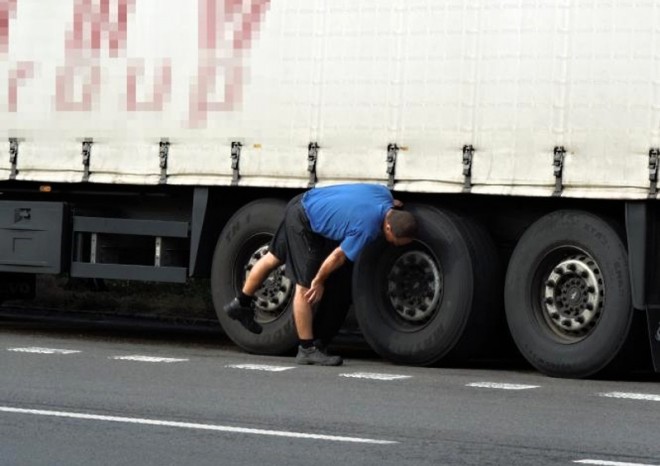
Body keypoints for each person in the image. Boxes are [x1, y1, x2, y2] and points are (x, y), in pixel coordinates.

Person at [223, 183, 417, 366]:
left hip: (302, 202)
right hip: (304, 222)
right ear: (389, 227)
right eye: (394, 240)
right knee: (305, 286)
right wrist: (319, 280)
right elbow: (338, 257)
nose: (392, 243)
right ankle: (306, 350)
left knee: (273, 257)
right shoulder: (367, 228)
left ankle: (240, 303)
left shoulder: (384, 195)